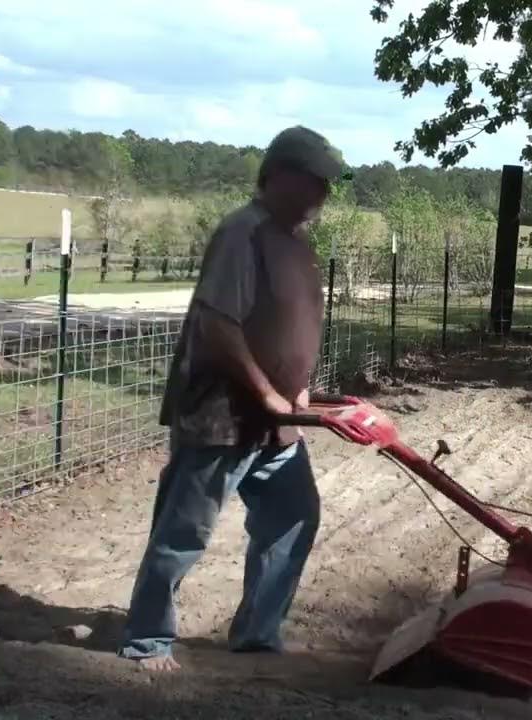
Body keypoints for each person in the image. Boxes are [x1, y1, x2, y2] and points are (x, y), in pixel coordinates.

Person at [117, 126, 346, 672]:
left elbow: (284, 323)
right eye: (317, 181)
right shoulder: (242, 233)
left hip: (276, 420)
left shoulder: (293, 243)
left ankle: (258, 635)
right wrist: (267, 391)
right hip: (223, 415)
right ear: (281, 176)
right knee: (185, 529)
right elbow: (219, 324)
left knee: (294, 516)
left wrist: (298, 390)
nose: (325, 194)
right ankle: (147, 641)